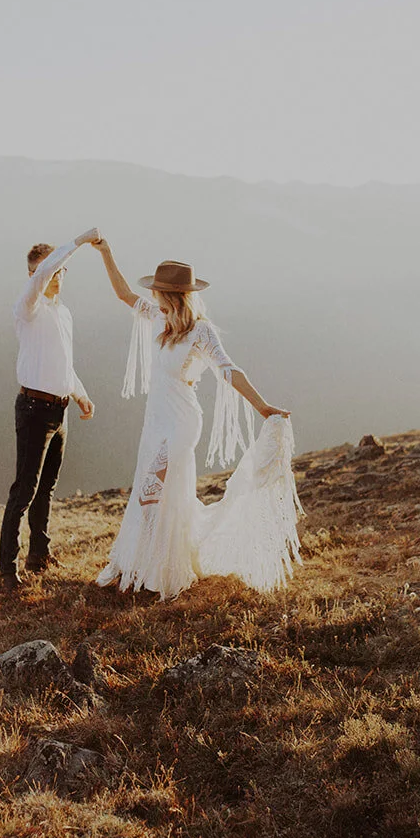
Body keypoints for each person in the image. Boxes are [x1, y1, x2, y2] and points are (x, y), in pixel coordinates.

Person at [88, 239, 303, 599]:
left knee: (158, 490)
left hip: (181, 421)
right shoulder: (159, 319)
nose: (152, 295)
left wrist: (263, 406)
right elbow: (124, 294)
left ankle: (161, 570)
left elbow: (229, 370)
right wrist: (105, 253)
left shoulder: (201, 331)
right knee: (151, 491)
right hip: (155, 420)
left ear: (171, 295)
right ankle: (144, 562)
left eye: (157, 291)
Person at [0, 227, 100, 590]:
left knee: (47, 488)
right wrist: (79, 242)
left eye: (61, 271)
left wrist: (80, 394)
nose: (57, 276)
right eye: (51, 271)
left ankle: (39, 554)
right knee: (24, 490)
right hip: (33, 410)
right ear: (34, 276)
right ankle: (8, 569)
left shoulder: (63, 313)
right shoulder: (28, 309)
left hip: (60, 410)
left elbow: (64, 363)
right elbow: (43, 275)